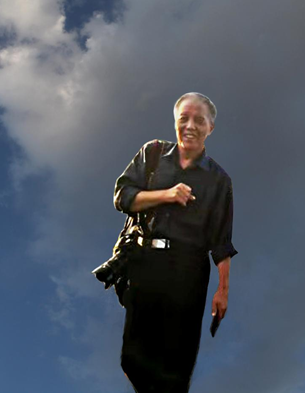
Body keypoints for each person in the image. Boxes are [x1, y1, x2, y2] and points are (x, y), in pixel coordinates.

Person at [114, 92, 237, 393]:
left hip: (188, 271)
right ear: (175, 121)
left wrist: (222, 290)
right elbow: (122, 197)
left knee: (177, 363)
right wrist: (166, 195)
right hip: (144, 262)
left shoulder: (219, 180)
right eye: (184, 119)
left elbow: (221, 240)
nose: (190, 126)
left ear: (210, 128)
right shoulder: (152, 153)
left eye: (199, 120)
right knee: (132, 357)